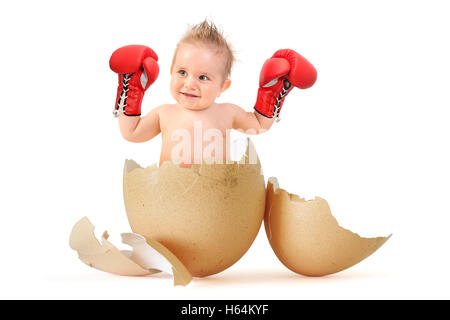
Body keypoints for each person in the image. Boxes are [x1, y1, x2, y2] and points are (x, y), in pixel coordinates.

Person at [110, 20, 317, 167]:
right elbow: (132, 133)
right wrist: (133, 91)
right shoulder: (164, 113)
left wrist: (269, 94)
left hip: (216, 200)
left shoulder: (227, 112)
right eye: (182, 72)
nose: (189, 84)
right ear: (171, 73)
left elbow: (259, 125)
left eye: (203, 77)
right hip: (171, 199)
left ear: (222, 87)